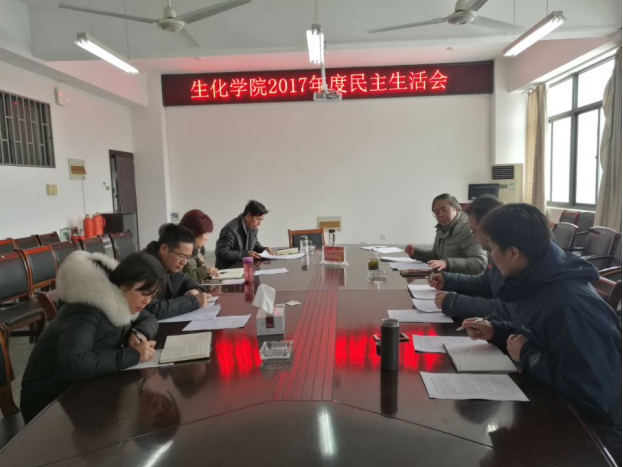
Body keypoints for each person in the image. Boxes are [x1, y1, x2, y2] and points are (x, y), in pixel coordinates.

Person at [461, 204, 622, 466]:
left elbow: (596, 394)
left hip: (593, 434)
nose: (490, 256)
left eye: (492, 249)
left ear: (513, 253)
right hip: (556, 406)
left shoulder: (568, 304)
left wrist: (526, 353)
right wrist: (497, 331)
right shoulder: (536, 280)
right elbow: (541, 335)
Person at [20, 251, 166, 423]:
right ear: (125, 283)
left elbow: (149, 318)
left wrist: (138, 332)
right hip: (48, 404)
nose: (147, 301)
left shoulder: (121, 301)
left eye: (152, 296)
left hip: (81, 388)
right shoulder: (86, 309)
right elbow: (73, 363)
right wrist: (133, 355)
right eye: (144, 293)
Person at [429, 195, 517, 320]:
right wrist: (447, 280)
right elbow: (485, 284)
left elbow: (512, 311)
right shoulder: (494, 249)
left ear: (489, 226)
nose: (472, 236)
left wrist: (455, 303)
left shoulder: (512, 254)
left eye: (473, 231)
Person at [405, 194, 486, 275]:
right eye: (437, 212)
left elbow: (479, 263)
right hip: (446, 277)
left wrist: (447, 263)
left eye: (444, 210)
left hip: (466, 280)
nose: (440, 215)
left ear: (457, 209)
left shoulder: (467, 228)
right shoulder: (442, 228)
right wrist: (416, 253)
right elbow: (436, 256)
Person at [144, 224, 212, 320]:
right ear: (164, 249)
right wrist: (193, 301)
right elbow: (151, 309)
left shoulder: (167, 265)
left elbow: (184, 278)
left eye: (188, 257)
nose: (184, 262)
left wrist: (195, 290)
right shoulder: (145, 268)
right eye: (181, 256)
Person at [215, 200, 275, 269]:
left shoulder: (252, 228)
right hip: (230, 270)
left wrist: (263, 249)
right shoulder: (230, 229)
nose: (259, 223)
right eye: (258, 219)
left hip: (245, 268)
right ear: (248, 215)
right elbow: (222, 253)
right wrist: (245, 254)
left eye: (261, 220)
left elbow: (254, 245)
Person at [180, 209, 219, 282]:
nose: (207, 238)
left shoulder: (197, 251)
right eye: (205, 234)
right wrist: (205, 271)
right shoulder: (181, 251)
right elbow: (182, 279)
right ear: (194, 233)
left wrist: (207, 272)